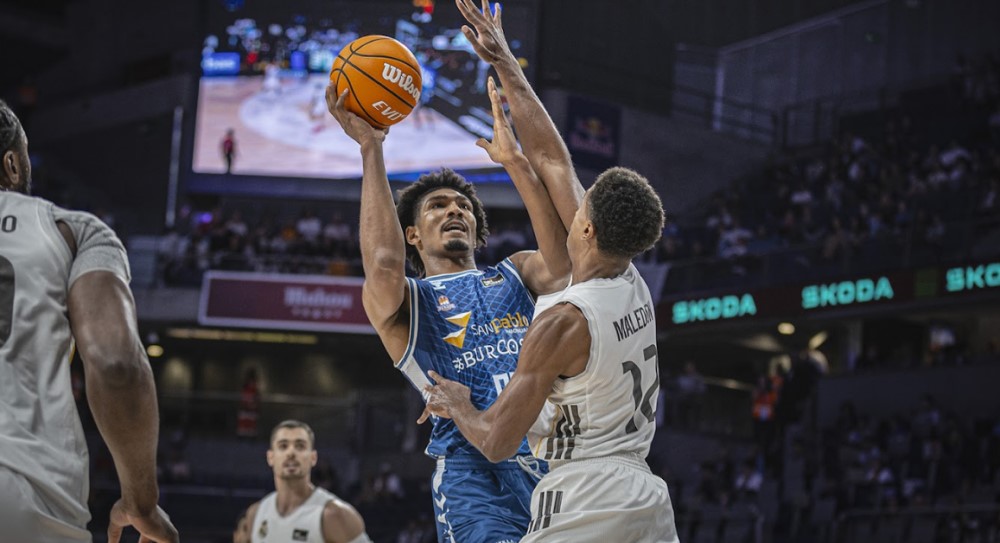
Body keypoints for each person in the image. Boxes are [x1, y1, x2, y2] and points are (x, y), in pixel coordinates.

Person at [324, 31, 577, 543]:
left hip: (555, 468)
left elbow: (564, 262)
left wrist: (515, 163)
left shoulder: (516, 272)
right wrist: (372, 148)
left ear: (477, 228)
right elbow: (383, 263)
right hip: (474, 475)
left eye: (462, 206)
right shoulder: (408, 303)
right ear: (413, 235)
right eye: (437, 206)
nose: (454, 210)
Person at [423, 166, 679, 542]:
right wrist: (515, 160)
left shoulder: (564, 322)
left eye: (580, 210)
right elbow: (555, 161)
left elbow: (496, 442)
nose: (572, 212)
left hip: (585, 492)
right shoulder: (630, 281)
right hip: (645, 493)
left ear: (588, 230)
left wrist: (459, 404)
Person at [0, 99, 177, 542]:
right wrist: (140, 500)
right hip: (23, 500)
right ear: (12, 165)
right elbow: (116, 363)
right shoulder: (71, 231)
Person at [235, 420, 371, 543]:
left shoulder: (334, 515)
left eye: (300, 446)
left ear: (313, 458)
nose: (291, 453)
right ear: (270, 457)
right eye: (283, 446)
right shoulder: (256, 514)